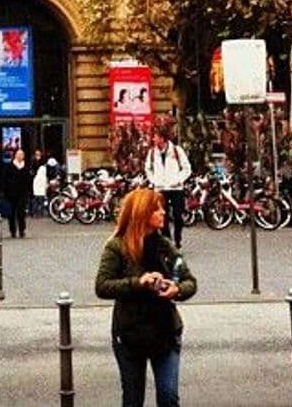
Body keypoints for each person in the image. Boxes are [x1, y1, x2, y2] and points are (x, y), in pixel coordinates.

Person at [95, 187, 197, 407]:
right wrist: (138, 282)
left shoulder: (164, 245)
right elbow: (102, 286)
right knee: (133, 398)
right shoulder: (117, 246)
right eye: (157, 209)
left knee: (168, 396)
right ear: (142, 213)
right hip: (130, 332)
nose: (163, 213)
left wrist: (176, 289)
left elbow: (189, 281)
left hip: (165, 330)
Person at [144, 126, 192, 247]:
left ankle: (178, 239)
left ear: (162, 138)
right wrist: (154, 181)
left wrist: (178, 180)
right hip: (160, 188)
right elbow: (148, 169)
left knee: (178, 215)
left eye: (155, 136)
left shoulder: (177, 150)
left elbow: (187, 168)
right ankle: (168, 241)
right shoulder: (152, 153)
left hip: (176, 188)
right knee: (162, 217)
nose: (153, 139)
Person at [1, 148, 32, 237]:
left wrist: (29, 191)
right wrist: (4, 191)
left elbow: (29, 180)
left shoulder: (26, 166)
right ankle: (13, 230)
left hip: (22, 193)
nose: (20, 156)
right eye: (19, 155)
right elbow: (4, 180)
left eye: (22, 155)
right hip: (11, 193)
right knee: (11, 213)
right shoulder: (9, 166)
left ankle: (22, 230)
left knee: (21, 213)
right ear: (15, 156)